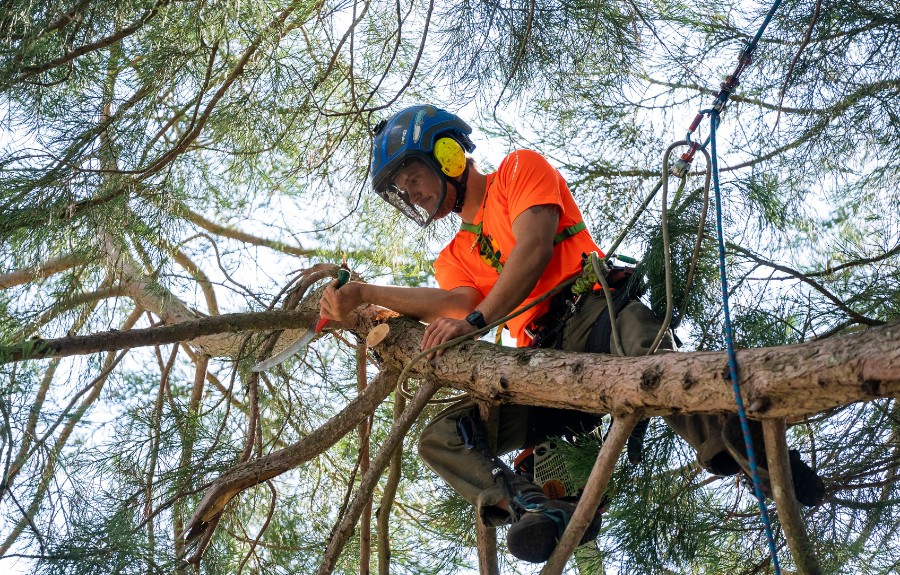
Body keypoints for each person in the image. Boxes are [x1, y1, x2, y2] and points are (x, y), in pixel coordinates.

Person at [318, 104, 825, 563]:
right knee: (441, 438)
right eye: (404, 191)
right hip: (542, 361)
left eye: (414, 176)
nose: (414, 194)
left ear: (449, 154)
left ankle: (738, 442)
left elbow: (533, 246)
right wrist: (365, 295)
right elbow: (462, 303)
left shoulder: (518, 170)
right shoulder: (452, 258)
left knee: (646, 353)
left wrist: (473, 324)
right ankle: (533, 506)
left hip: (593, 308)